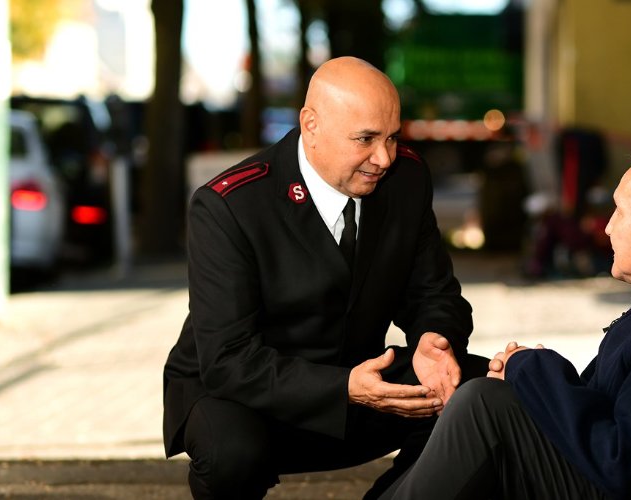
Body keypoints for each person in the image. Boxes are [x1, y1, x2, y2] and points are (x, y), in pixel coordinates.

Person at [162, 57, 487, 499]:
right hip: (248, 393)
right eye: (366, 139)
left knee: (480, 396)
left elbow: (436, 295)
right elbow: (228, 360)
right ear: (310, 125)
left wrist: (435, 340)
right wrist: (344, 388)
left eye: (392, 137)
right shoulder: (229, 207)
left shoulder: (405, 179)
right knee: (230, 453)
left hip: (358, 376)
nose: (384, 157)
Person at [382, 142, 631, 499]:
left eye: (620, 211)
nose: (606, 227)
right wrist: (525, 378)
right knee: (473, 393)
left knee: (482, 404)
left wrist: (531, 368)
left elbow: (625, 460)